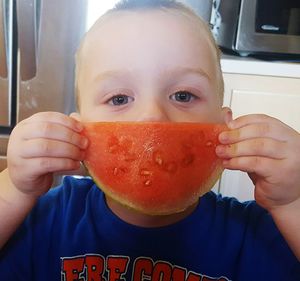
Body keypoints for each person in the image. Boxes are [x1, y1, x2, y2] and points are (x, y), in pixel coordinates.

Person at [0, 0, 299, 280]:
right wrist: (14, 188)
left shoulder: (249, 234)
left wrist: (293, 201)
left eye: (183, 96)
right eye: (119, 98)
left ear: (224, 126)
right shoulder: (51, 219)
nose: (152, 118)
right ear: (78, 132)